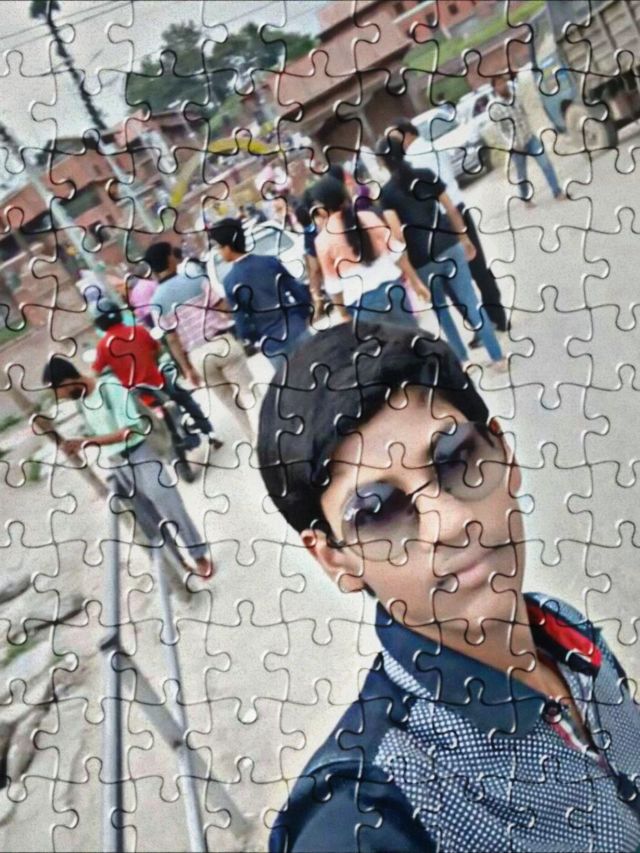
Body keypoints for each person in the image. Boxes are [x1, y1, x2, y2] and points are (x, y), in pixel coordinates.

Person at [257, 321, 640, 852]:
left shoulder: (564, 629)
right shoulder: (366, 813)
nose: (451, 522)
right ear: (334, 558)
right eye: (377, 511)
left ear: (504, 453)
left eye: (456, 458)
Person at [42, 356, 214, 579]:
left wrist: (85, 443)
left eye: (58, 392)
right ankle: (178, 564)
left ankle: (199, 556)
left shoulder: (110, 388)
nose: (60, 398)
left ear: (67, 381)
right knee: (148, 521)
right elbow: (97, 431)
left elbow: (130, 430)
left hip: (141, 454)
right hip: (117, 464)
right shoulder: (81, 402)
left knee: (170, 505)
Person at [376, 134, 505, 369]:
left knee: (442, 312)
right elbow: (451, 209)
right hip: (450, 244)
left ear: (383, 162)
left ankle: (463, 362)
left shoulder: (387, 195)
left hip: (422, 258)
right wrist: (464, 238)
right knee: (471, 301)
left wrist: (409, 272)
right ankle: (498, 358)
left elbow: (397, 235)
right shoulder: (425, 174)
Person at [144, 240, 255, 439]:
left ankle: (254, 440)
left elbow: (172, 339)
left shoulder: (156, 302)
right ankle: (268, 435)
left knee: (231, 404)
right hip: (221, 342)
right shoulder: (196, 280)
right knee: (249, 393)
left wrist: (186, 368)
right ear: (170, 259)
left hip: (198, 356)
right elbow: (223, 307)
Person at [92, 301, 221, 445]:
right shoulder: (138, 330)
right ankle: (209, 432)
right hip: (158, 381)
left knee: (142, 420)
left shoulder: (103, 346)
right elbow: (157, 349)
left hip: (137, 393)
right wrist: (150, 360)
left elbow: (95, 372)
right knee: (186, 400)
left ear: (99, 323)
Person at [311, 176, 425, 328]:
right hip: (393, 288)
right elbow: (396, 253)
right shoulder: (368, 218)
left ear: (321, 208)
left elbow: (334, 286)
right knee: (413, 337)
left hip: (362, 305)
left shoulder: (323, 240)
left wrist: (343, 314)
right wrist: (416, 282)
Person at [208, 218, 312, 360]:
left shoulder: (230, 282)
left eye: (219, 248)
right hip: (296, 327)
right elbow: (298, 291)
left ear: (227, 247)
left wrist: (255, 338)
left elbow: (242, 322)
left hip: (271, 342)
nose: (219, 252)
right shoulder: (269, 262)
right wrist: (302, 316)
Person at [490, 73, 566, 204]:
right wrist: (512, 144)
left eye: (503, 82)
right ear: (495, 88)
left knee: (546, 163)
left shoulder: (516, 95)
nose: (502, 86)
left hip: (529, 138)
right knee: (522, 175)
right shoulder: (495, 107)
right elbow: (500, 131)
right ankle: (526, 199)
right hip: (516, 146)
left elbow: (525, 112)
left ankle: (557, 192)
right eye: (498, 84)